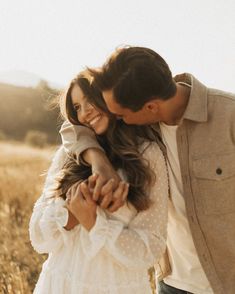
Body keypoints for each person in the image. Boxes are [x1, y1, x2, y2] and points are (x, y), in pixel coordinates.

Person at [60, 47, 235, 294]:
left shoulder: (229, 116)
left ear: (150, 108)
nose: (116, 120)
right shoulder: (139, 113)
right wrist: (99, 160)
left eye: (120, 115)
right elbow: (74, 128)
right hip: (172, 283)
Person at [29, 70, 169, 294]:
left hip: (116, 286)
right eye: (77, 107)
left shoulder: (147, 153)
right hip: (60, 283)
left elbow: (150, 248)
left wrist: (95, 223)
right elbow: (37, 236)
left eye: (90, 99)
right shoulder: (68, 154)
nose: (85, 112)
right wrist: (70, 215)